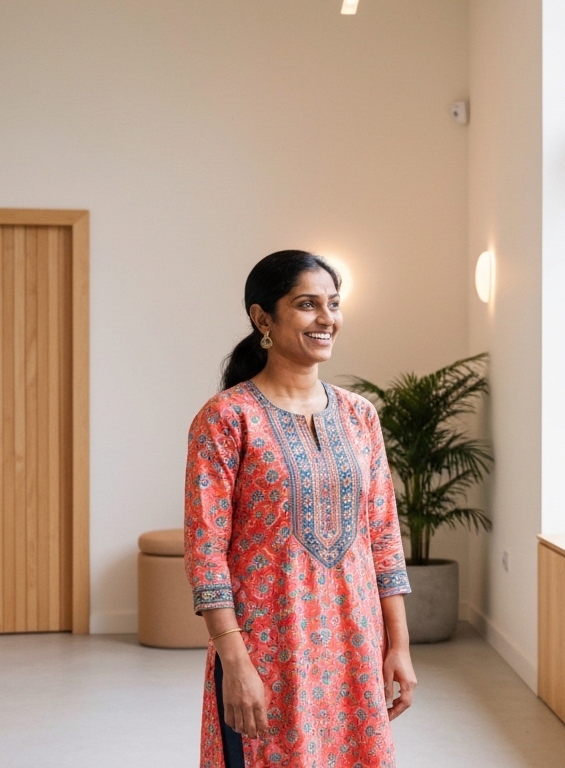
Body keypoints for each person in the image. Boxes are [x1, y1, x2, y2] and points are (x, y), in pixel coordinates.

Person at [184, 250, 416, 768]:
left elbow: (382, 536)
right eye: (307, 305)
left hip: (354, 646)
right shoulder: (226, 419)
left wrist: (398, 645)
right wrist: (235, 663)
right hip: (268, 647)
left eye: (333, 304)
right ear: (262, 317)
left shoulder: (360, 416)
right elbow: (205, 553)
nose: (327, 319)